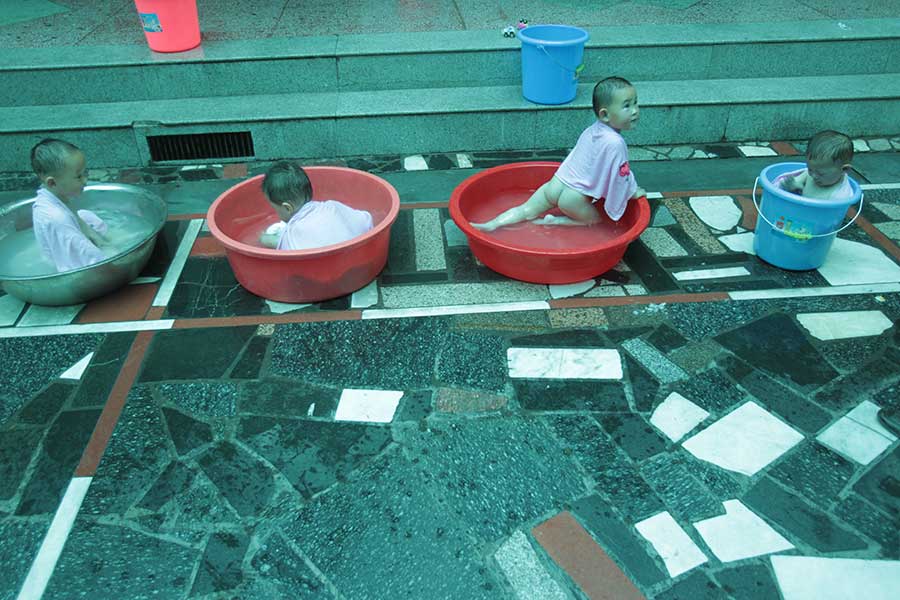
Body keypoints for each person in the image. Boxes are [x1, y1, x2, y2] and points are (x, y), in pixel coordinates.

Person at [471, 76, 646, 232]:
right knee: (596, 221)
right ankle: (557, 221)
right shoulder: (616, 142)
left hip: (556, 184)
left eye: (636, 103)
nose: (635, 110)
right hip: (574, 198)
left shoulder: (592, 131)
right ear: (605, 115)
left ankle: (492, 224)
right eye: (627, 106)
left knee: (525, 210)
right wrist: (631, 192)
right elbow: (619, 176)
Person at [30, 138, 108, 272]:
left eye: (85, 173)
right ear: (52, 183)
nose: (86, 180)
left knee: (86, 215)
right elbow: (92, 260)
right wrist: (114, 254)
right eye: (79, 177)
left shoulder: (55, 195)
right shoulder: (57, 218)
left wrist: (99, 238)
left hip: (66, 237)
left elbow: (79, 221)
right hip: (70, 270)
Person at [258, 161, 373, 250]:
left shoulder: (294, 231)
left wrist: (263, 238)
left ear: (288, 208)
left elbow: (278, 243)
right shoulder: (332, 206)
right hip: (356, 254)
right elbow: (366, 220)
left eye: (275, 209)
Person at [777, 130, 854, 200]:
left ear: (844, 169)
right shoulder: (814, 172)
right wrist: (795, 184)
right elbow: (797, 180)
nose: (813, 176)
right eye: (810, 169)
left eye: (821, 174)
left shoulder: (840, 196)